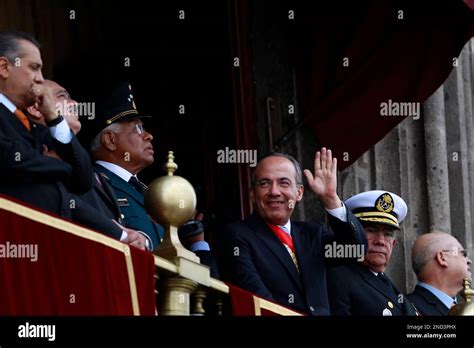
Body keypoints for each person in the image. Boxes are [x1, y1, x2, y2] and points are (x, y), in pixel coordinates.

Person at [219, 149, 367, 315]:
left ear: (299, 193)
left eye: (284, 183)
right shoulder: (237, 235)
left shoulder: (312, 234)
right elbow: (259, 301)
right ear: (253, 194)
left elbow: (356, 250)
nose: (274, 191)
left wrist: (330, 198)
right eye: (264, 183)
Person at [26, 79, 148, 249]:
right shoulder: (36, 156)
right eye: (63, 96)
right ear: (36, 108)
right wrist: (120, 234)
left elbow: (120, 224)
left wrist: (139, 238)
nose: (75, 103)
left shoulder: (95, 174)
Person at [0, 31, 92, 218]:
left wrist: (53, 116)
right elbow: (12, 161)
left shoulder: (34, 126)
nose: (40, 78)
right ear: (4, 67)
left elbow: (82, 179)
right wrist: (61, 165)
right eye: (34, 67)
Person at [327, 190, 417, 315]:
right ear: (355, 236)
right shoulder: (339, 276)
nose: (380, 241)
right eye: (371, 230)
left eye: (387, 234)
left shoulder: (384, 282)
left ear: (393, 244)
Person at [407, 231, 472, 315]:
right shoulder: (407, 308)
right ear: (442, 258)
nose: (469, 261)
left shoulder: (465, 308)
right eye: (463, 253)